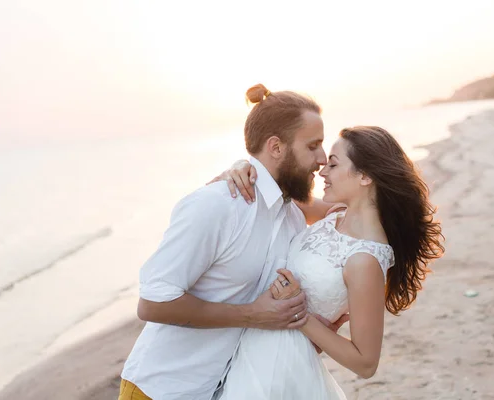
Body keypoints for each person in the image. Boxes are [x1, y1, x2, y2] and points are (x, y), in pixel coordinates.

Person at [118, 84, 347, 400]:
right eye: (313, 146)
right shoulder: (216, 206)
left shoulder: (293, 215)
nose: (322, 159)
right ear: (276, 147)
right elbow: (154, 302)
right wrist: (254, 314)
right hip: (162, 389)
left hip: (229, 388)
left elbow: (351, 213)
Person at [212, 125, 444, 399]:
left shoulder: (365, 260)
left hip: (281, 368)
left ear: (365, 176)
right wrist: (241, 167)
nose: (322, 171)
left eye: (333, 165)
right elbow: (274, 191)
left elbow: (365, 362)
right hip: (250, 348)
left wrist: (300, 315)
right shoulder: (334, 215)